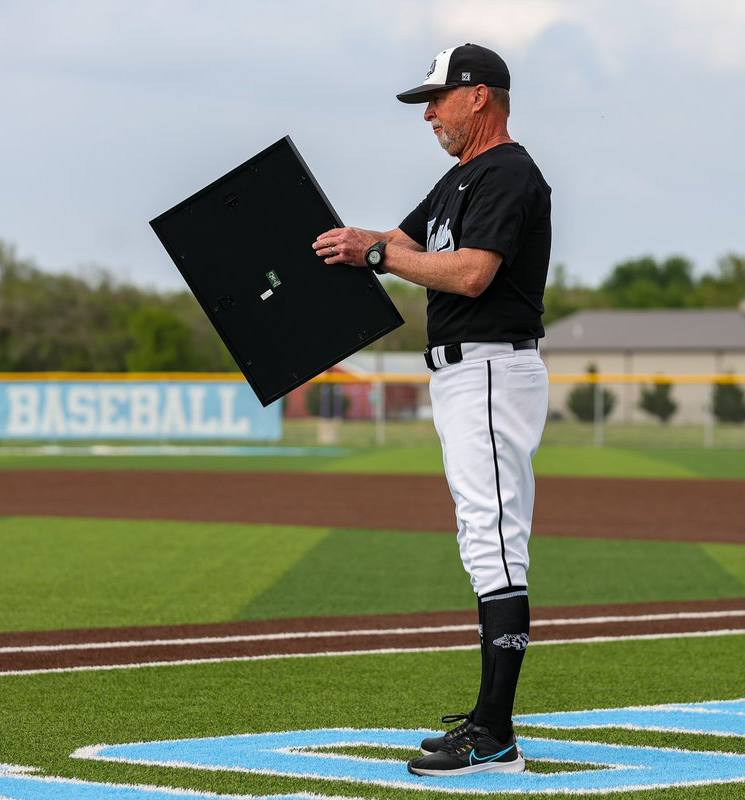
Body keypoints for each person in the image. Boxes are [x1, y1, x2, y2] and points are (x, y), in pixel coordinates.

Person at [312, 42, 551, 777]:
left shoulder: (508, 172)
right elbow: (397, 242)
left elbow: (473, 274)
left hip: (489, 367)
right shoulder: (459, 179)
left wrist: (375, 257)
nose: (429, 113)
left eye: (437, 98)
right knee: (482, 538)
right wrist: (340, 243)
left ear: (479, 96)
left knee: (494, 542)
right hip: (462, 375)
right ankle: (488, 724)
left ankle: (497, 735)